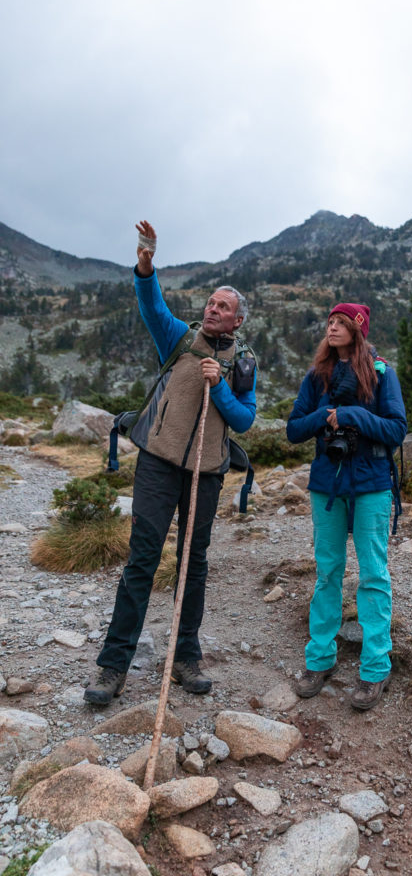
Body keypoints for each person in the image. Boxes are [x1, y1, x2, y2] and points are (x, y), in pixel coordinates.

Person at [84, 220, 256, 705]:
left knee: (192, 564)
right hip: (159, 464)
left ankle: (184, 658)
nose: (213, 308)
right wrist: (145, 266)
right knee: (142, 559)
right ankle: (113, 665)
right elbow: (151, 305)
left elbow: (244, 420)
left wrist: (220, 386)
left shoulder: (243, 362)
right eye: (212, 302)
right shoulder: (179, 339)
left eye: (224, 306)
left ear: (238, 320)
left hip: (208, 471)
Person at [286, 302, 406, 711]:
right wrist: (325, 417)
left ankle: (375, 668)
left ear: (358, 330)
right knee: (327, 572)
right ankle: (319, 660)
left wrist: (353, 415)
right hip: (328, 486)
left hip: (372, 485)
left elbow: (396, 429)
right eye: (330, 321)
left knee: (373, 574)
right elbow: (293, 429)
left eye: (340, 322)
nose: (332, 327)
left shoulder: (382, 373)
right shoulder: (316, 376)